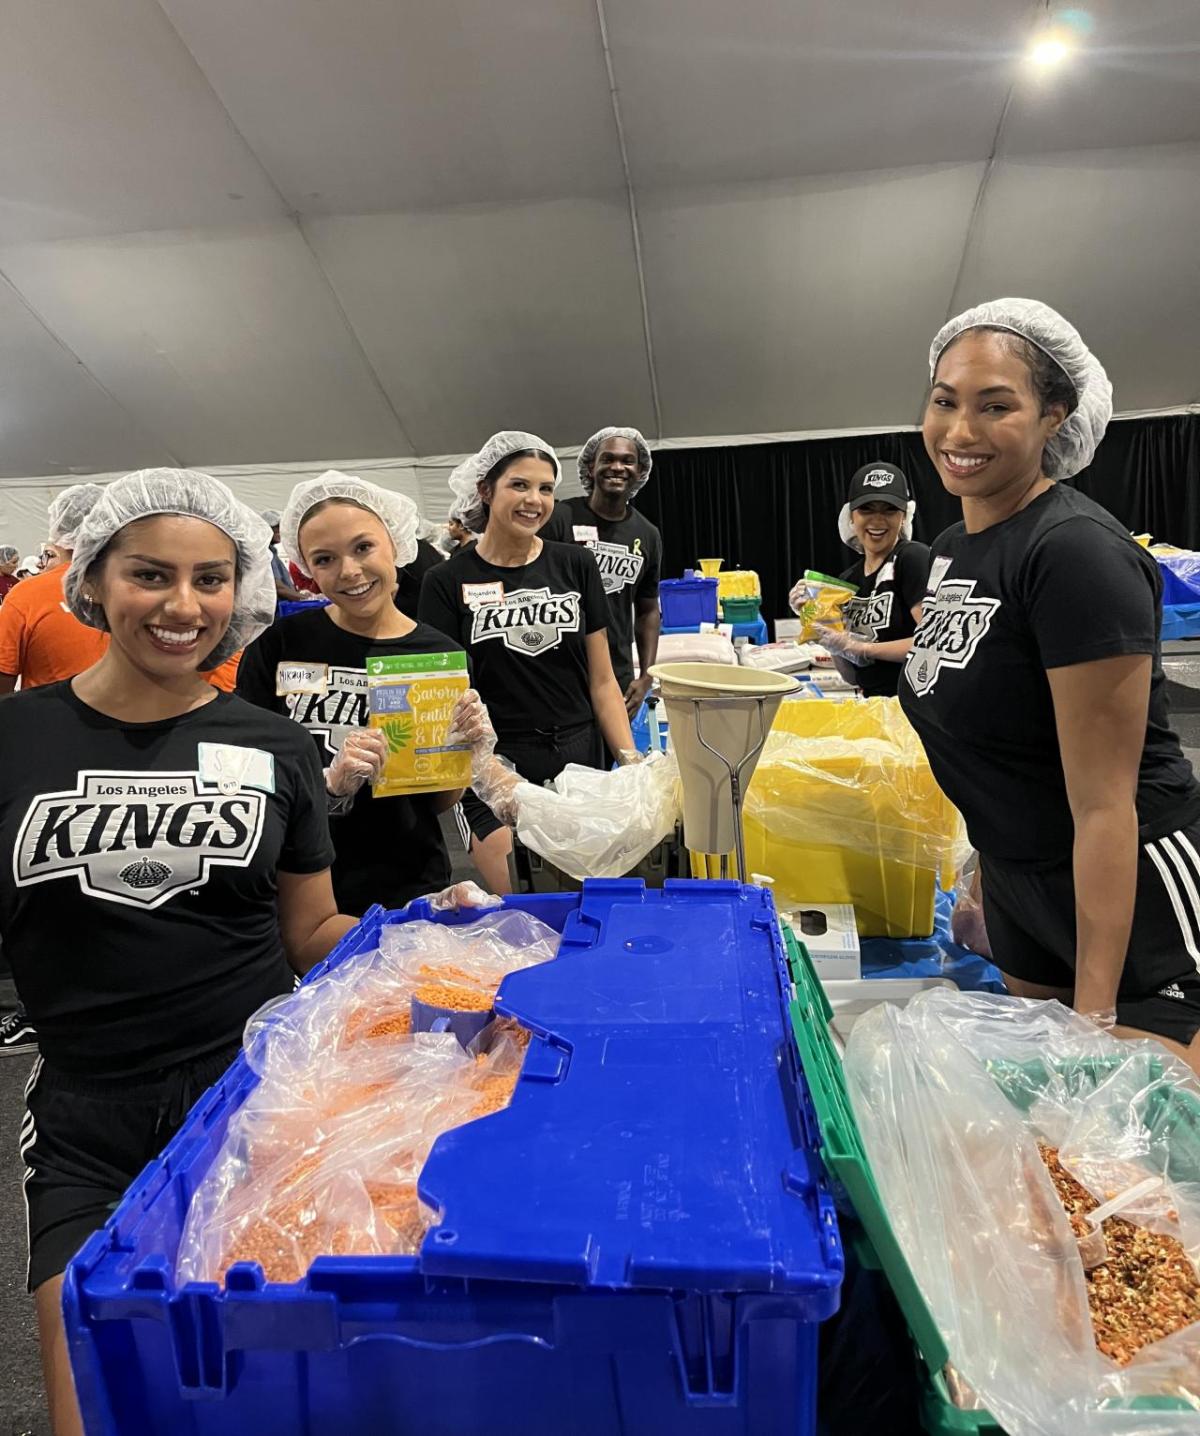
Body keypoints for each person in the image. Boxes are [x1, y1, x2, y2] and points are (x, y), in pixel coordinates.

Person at [899, 297, 1200, 1069]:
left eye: (996, 406)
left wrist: (1094, 1017)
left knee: (1155, 1135)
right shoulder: (952, 546)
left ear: (1054, 417)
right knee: (1066, 1140)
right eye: (945, 401)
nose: (960, 432)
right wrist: (983, 874)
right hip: (1019, 877)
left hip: (1130, 890)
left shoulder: (1074, 554)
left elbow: (1106, 804)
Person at [238, 471, 493, 913]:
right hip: (299, 882)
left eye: (363, 547)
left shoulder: (437, 654)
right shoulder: (280, 645)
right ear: (306, 568)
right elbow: (246, 773)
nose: (349, 572)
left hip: (406, 880)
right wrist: (327, 786)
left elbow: (437, 800)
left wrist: (462, 754)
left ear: (394, 543)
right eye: (324, 559)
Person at [418, 431, 635, 855]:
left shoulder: (577, 563)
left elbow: (603, 681)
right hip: (497, 762)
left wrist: (629, 761)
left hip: (580, 755)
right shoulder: (445, 582)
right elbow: (445, 698)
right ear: (485, 490)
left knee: (586, 889)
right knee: (523, 895)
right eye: (519, 484)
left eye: (546, 488)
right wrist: (486, 771)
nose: (534, 500)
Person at [541, 427, 662, 717]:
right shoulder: (560, 518)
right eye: (607, 459)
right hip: (558, 670)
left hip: (615, 671)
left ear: (640, 469)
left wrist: (646, 675)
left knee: (613, 758)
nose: (617, 467)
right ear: (590, 466)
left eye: (627, 461)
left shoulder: (647, 534)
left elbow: (647, 610)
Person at [803, 463, 930, 697]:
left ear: (904, 516)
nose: (877, 520)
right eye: (867, 509)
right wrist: (828, 636)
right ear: (851, 516)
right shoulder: (848, 581)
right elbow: (852, 677)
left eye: (889, 509)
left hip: (914, 706)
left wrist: (862, 647)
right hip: (874, 705)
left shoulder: (911, 558)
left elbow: (934, 642)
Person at [0, 484, 110, 697]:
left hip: (46, 722)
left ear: (58, 534)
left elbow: (3, 677)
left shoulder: (27, 595)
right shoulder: (139, 589)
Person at [262, 509, 306, 604]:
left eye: (280, 526)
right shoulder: (265, 553)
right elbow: (278, 588)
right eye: (275, 527)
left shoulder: (272, 553)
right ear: (264, 529)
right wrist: (305, 598)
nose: (279, 530)